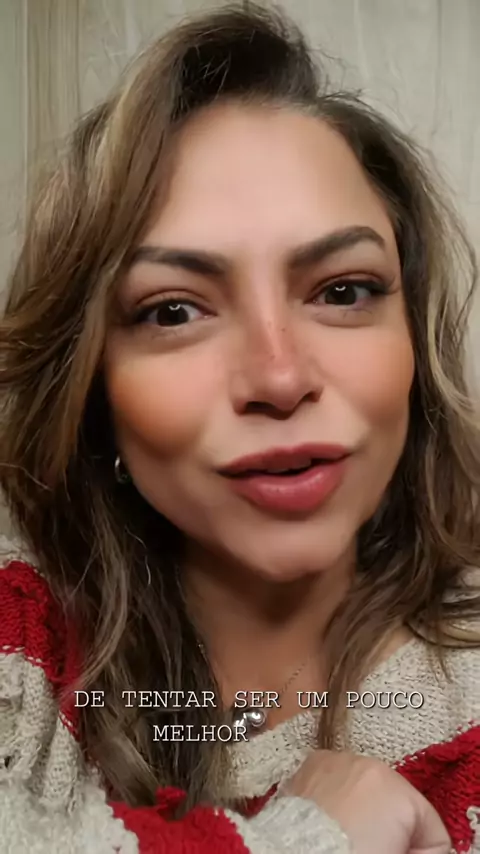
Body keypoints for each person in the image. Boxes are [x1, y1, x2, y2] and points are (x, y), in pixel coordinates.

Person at [0, 2, 478, 852]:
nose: (280, 379)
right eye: (173, 310)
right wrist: (310, 838)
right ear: (91, 380)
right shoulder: (21, 635)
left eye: (343, 291)